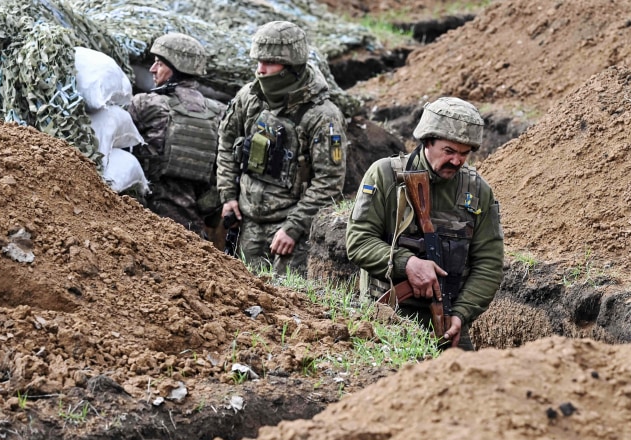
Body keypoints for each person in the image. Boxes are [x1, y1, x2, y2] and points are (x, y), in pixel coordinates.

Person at [345, 97, 504, 351]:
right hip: (386, 318)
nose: (457, 161)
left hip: (447, 321)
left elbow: (489, 264)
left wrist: (461, 315)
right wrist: (406, 263)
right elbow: (358, 241)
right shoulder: (385, 175)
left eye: (464, 154)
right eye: (449, 151)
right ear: (427, 141)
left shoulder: (478, 191)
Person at [216, 20, 346, 274]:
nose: (260, 70)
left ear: (290, 68)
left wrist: (293, 227)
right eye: (258, 62)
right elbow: (226, 144)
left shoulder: (322, 116)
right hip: (247, 224)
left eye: (269, 63)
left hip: (292, 233)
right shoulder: (249, 98)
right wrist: (228, 196)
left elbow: (330, 181)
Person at [128, 32, 225, 241]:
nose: (152, 69)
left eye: (159, 64)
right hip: (193, 233)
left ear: (176, 68)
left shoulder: (147, 104)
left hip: (146, 221)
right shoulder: (220, 113)